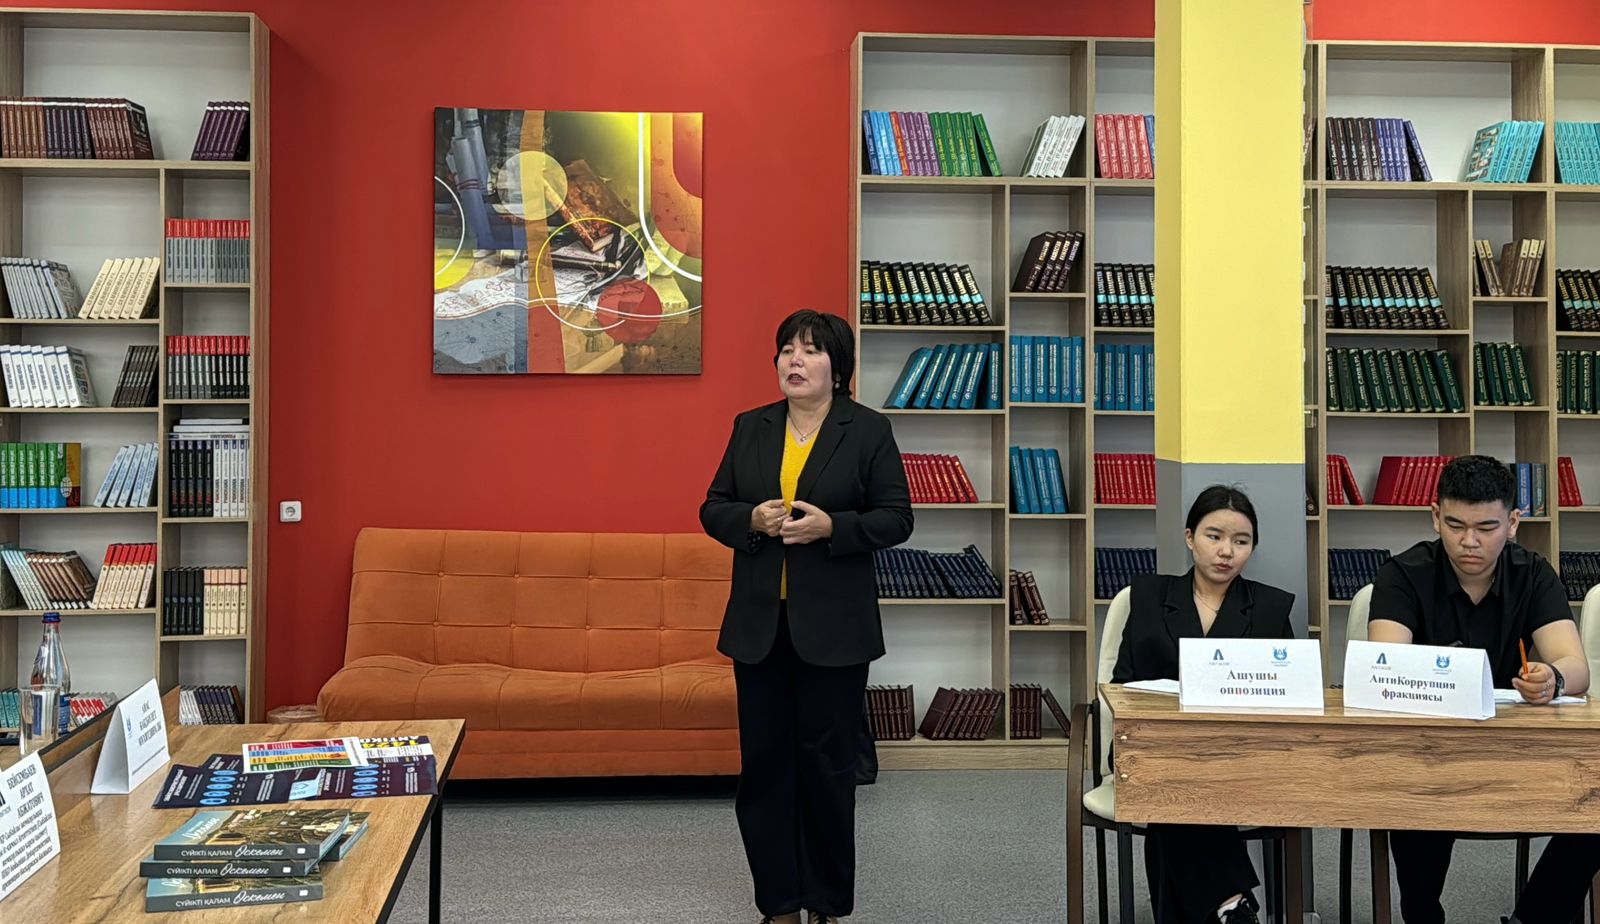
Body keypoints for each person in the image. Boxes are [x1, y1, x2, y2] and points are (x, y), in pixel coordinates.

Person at [700, 309, 913, 924]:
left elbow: (897, 518)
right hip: (759, 628)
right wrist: (749, 520)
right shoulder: (752, 426)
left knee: (827, 769)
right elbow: (713, 507)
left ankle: (824, 901)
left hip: (834, 630)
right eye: (787, 349)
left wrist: (833, 528)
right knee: (765, 770)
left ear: (838, 369)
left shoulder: (867, 430)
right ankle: (778, 904)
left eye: (811, 350)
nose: (795, 360)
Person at [1368, 454, 1600, 924]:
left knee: (1594, 803)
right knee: (1413, 796)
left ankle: (1535, 917)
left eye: (1486, 527)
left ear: (1512, 523)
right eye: (1455, 525)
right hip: (1431, 750)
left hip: (1519, 748)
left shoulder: (1533, 574)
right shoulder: (1403, 573)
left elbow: (1576, 667)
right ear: (1436, 517)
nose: (1469, 541)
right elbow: (1384, 667)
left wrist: (1551, 679)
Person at [1111, 485, 1296, 924]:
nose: (1226, 551)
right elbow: (1122, 685)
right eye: (1214, 536)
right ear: (1190, 537)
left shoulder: (1271, 607)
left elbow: (1290, 693)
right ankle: (1231, 903)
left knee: (1168, 802)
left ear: (1252, 548)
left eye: (1241, 541)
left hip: (1239, 755)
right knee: (1169, 778)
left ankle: (1226, 906)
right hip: (1153, 748)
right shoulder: (1148, 597)